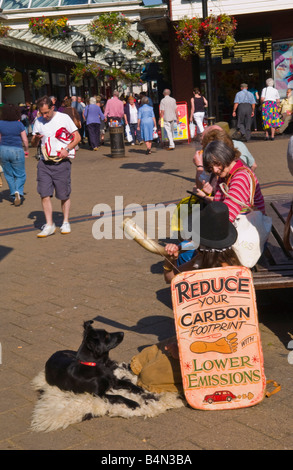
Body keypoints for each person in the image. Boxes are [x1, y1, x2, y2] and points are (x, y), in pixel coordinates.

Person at [130, 202, 240, 393]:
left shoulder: (229, 273)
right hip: (196, 339)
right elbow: (171, 279)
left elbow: (222, 325)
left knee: (148, 376)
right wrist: (170, 258)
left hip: (216, 354)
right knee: (145, 355)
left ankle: (202, 383)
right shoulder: (200, 259)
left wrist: (182, 352)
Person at [31, 95, 81, 238]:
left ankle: (65, 221)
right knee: (44, 193)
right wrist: (35, 139)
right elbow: (34, 144)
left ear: (52, 107)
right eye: (42, 113)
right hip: (44, 163)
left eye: (46, 112)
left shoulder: (63, 118)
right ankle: (49, 224)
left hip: (61, 162)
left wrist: (67, 149)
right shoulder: (38, 121)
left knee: (63, 194)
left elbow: (76, 137)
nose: (44, 116)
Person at [202, 140, 265, 223]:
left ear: (225, 156)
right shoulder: (225, 175)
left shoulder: (241, 177)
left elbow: (228, 214)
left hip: (247, 227)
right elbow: (221, 202)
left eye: (217, 164)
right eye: (211, 167)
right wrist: (206, 198)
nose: (215, 170)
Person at [0, 104, 29, 206]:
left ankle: (13, 193)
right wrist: (26, 150)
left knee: (8, 174)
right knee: (21, 174)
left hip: (3, 150)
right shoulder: (19, 124)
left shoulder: (0, 123)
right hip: (17, 150)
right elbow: (25, 140)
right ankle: (18, 191)